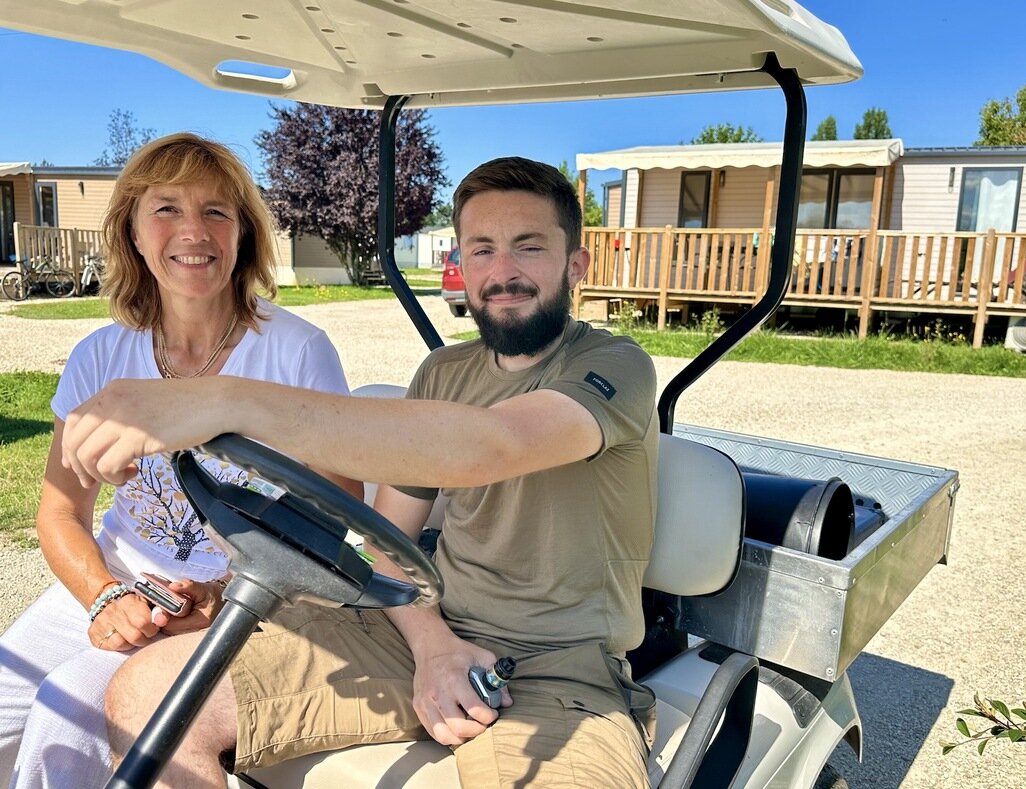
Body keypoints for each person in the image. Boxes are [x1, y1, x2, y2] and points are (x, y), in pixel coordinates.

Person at [63, 156, 659, 788]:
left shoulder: (616, 366)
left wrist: (225, 401)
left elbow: (494, 444)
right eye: (482, 249)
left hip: (559, 666)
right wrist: (432, 643)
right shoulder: (444, 373)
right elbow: (378, 536)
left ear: (576, 266)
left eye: (528, 247)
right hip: (414, 633)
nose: (502, 271)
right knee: (152, 695)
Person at [0, 132, 360, 789]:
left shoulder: (298, 352)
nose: (193, 230)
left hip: (244, 599)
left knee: (66, 711)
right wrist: (104, 594)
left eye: (217, 211)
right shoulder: (99, 358)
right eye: (166, 209)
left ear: (244, 236)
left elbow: (334, 517)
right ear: (132, 233)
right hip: (115, 581)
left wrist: (221, 593)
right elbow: (58, 512)